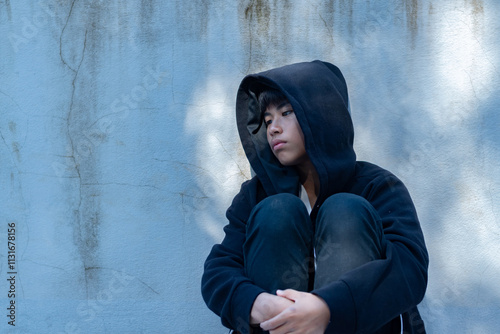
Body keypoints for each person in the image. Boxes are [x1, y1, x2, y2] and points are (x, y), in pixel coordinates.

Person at [201, 60, 428, 334]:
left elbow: (409, 269)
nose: (273, 128)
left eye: (286, 112)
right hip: (275, 328)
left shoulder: (379, 186)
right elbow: (219, 269)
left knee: (345, 209)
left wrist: (329, 308)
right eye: (268, 119)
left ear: (321, 115)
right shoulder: (254, 195)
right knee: (277, 210)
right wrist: (258, 304)